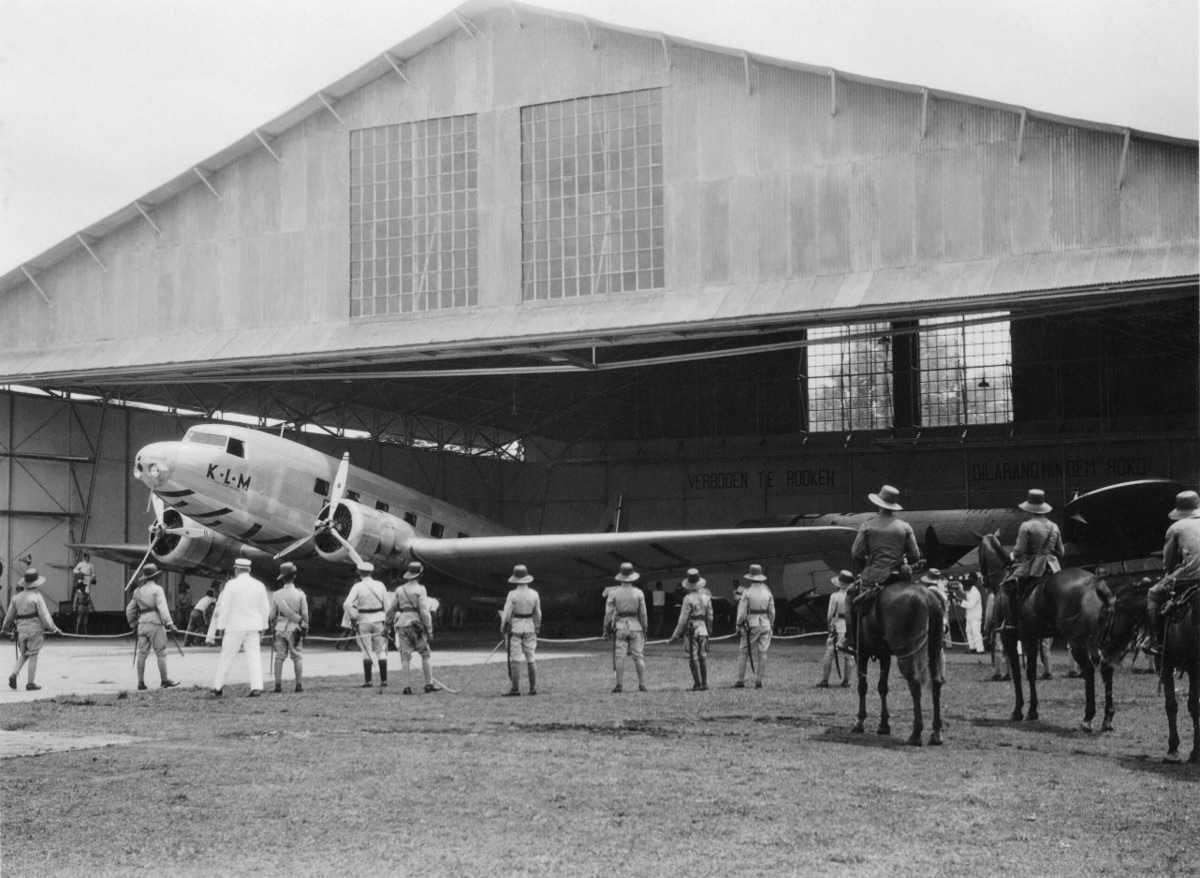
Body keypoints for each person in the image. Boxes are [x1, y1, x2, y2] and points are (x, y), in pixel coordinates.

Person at [844, 485, 922, 653]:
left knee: (850, 597)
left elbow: (856, 554)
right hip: (898, 579)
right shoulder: (905, 526)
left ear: (879, 504)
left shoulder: (868, 525)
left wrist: (866, 564)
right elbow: (915, 555)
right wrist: (902, 560)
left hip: (873, 577)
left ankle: (850, 639)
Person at [206, 557, 270, 697]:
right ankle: (256, 687)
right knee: (254, 657)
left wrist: (221, 626)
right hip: (253, 625)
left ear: (236, 569)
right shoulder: (259, 585)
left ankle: (218, 686)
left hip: (235, 625)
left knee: (227, 656)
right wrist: (264, 625)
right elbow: (265, 607)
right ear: (249, 570)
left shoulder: (231, 585)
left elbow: (225, 607)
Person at [1146, 490, 1200, 654]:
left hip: (1192, 573)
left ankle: (1155, 641)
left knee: (1153, 594)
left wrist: (1170, 571)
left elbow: (1168, 563)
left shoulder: (1175, 528)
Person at [1002, 489, 1064, 629]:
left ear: (1029, 510)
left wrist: (1012, 556)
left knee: (1007, 586)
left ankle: (1010, 622)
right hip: (1053, 567)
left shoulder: (1026, 526)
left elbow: (1019, 551)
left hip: (1033, 566)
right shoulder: (1054, 526)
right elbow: (1061, 552)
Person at [3, 568, 63, 691]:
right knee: (33, 654)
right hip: (34, 631)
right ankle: (30, 683)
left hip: (21, 631)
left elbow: (9, 615)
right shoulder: (37, 597)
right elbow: (45, 616)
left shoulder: (16, 597)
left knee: (24, 654)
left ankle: (14, 674)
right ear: (36, 583)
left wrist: (4, 628)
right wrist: (54, 629)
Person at [125, 563, 182, 690]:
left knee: (142, 653)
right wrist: (170, 624)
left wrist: (133, 623)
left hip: (142, 624)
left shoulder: (138, 591)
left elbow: (129, 610)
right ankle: (164, 680)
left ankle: (140, 683)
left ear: (145, 578)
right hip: (155, 623)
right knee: (161, 652)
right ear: (155, 577)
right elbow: (162, 608)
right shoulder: (157, 590)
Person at [386, 562, 437, 694]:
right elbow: (424, 612)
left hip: (402, 623)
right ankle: (429, 684)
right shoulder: (421, 589)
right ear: (419, 574)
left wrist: (387, 626)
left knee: (405, 656)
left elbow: (391, 610)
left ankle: (406, 687)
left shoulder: (399, 590)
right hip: (417, 624)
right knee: (425, 654)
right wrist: (429, 629)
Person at [603, 562, 648, 693]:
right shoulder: (639, 593)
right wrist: (645, 629)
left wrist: (606, 629)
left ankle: (619, 685)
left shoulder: (614, 593)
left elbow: (608, 614)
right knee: (638, 656)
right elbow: (643, 614)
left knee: (619, 656)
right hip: (635, 625)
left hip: (621, 625)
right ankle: (642, 684)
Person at [344, 561, 390, 688]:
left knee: (366, 650)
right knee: (381, 650)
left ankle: (368, 681)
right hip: (379, 620)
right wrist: (388, 623)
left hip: (363, 620)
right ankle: (384, 680)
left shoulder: (357, 587)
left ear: (360, 573)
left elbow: (347, 604)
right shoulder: (380, 585)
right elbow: (387, 606)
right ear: (371, 572)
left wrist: (353, 617)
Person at [500, 564, 542, 696]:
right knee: (531, 657)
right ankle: (533, 688)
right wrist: (537, 626)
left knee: (516, 657)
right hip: (529, 626)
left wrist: (503, 627)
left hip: (516, 628)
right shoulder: (534, 594)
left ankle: (515, 688)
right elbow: (538, 614)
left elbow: (506, 614)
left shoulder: (512, 594)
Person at [668, 568, 712, 691]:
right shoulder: (706, 597)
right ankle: (704, 683)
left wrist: (675, 635)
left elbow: (682, 620)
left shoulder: (687, 599)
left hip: (691, 630)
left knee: (693, 657)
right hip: (703, 629)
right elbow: (710, 616)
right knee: (703, 657)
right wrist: (709, 630)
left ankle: (697, 683)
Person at [269, 562, 309, 693]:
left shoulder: (277, 594)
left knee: (279, 656)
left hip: (280, 628)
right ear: (294, 577)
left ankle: (278, 685)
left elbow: (272, 614)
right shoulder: (300, 594)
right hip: (295, 628)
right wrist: (305, 628)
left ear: (282, 578)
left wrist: (272, 625)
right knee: (297, 656)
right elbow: (304, 614)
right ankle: (298, 686)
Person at [734, 564, 775, 689]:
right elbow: (772, 611)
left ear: (750, 577)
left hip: (751, 624)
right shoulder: (767, 593)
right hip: (765, 623)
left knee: (744, 651)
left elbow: (742, 612)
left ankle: (740, 680)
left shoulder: (747, 592)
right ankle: (758, 681)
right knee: (762, 653)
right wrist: (771, 624)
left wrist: (738, 625)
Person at [817, 570, 856, 688]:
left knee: (829, 653)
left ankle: (825, 680)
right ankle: (846, 681)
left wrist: (829, 625)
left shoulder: (835, 596)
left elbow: (830, 614)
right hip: (849, 628)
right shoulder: (854, 596)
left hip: (837, 626)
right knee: (849, 655)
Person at [959, 573, 985, 654]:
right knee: (969, 631)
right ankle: (972, 647)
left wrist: (960, 601)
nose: (964, 589)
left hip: (975, 615)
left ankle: (980, 649)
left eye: (965, 587)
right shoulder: (969, 590)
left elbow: (971, 605)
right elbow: (963, 590)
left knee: (976, 632)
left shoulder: (975, 593)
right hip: (970, 615)